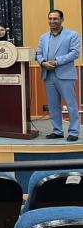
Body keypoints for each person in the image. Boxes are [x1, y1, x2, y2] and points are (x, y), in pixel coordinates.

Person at [36, 10, 81, 141]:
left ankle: (74, 132)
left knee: (71, 105)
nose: (52, 21)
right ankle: (57, 131)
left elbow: (75, 53)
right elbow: (39, 53)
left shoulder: (72, 35)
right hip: (48, 75)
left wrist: (57, 61)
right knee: (53, 105)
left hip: (65, 75)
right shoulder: (43, 37)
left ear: (62, 19)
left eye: (55, 18)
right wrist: (43, 62)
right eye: (50, 18)